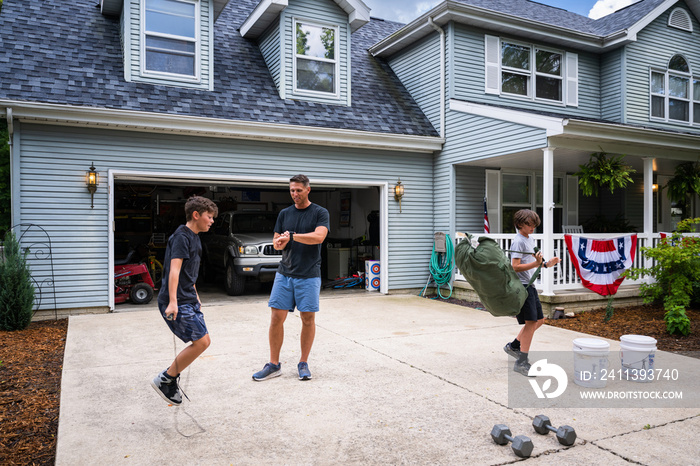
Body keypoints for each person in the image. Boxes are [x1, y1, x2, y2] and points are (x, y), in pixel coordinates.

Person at [252, 174, 330, 382]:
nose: (295, 194)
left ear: (308, 190)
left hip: (309, 275)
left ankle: (303, 363)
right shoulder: (285, 213)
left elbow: (319, 237)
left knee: (307, 319)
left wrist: (293, 236)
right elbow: (277, 240)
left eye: (298, 190)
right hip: (284, 273)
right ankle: (273, 364)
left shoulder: (320, 213)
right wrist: (280, 243)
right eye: (292, 190)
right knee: (276, 318)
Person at [151, 196, 218, 405]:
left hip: (188, 298)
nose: (212, 221)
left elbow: (190, 272)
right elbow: (174, 270)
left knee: (203, 342)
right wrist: (173, 302)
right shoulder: (181, 236)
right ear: (196, 215)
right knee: (201, 342)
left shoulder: (195, 236)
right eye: (209, 216)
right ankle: (166, 379)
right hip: (177, 301)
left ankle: (168, 378)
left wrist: (195, 292)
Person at [503, 209, 560, 376]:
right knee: (530, 323)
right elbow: (515, 266)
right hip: (522, 286)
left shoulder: (530, 239)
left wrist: (547, 264)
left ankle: (514, 346)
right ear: (520, 224)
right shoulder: (518, 241)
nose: (532, 227)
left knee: (539, 320)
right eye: (529, 224)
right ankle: (521, 362)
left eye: (534, 224)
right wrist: (536, 264)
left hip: (530, 284)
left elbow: (534, 262)